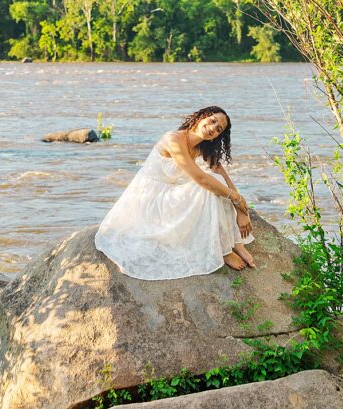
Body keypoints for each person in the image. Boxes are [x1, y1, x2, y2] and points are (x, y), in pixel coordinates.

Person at [94, 106, 255, 280]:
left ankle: (236, 243)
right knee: (208, 187)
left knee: (218, 183)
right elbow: (200, 178)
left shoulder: (202, 147)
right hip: (151, 201)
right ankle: (224, 250)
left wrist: (241, 210)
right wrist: (236, 198)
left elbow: (223, 176)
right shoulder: (173, 139)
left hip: (170, 194)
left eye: (218, 129)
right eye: (213, 121)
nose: (213, 128)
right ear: (201, 117)